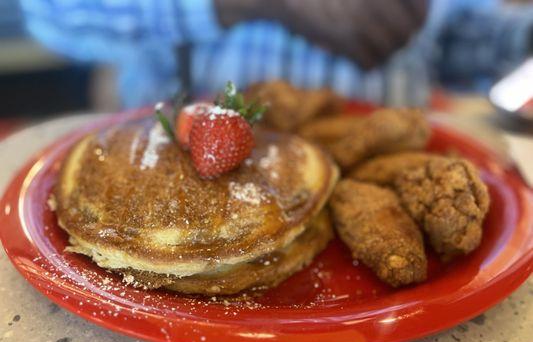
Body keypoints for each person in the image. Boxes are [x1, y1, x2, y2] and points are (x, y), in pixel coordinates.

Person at [20, 0, 533, 108]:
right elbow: (52, 14)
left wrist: (518, 44)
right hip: (181, 185)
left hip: (386, 172)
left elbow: (452, 42)